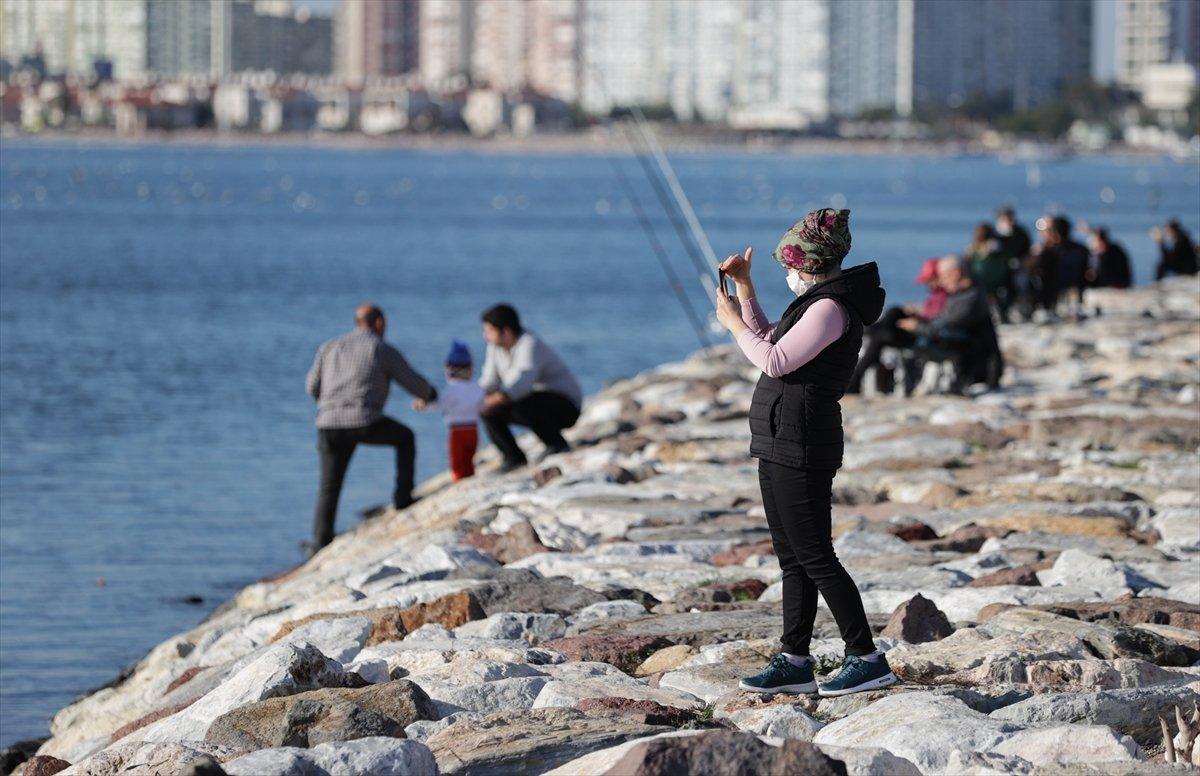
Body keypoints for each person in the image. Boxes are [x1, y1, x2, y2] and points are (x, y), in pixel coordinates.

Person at [713, 208, 897, 698]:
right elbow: (774, 338)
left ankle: (866, 656)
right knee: (791, 557)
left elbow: (773, 359)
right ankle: (795, 658)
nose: (789, 276)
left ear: (812, 265)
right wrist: (746, 292)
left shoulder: (830, 308)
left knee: (815, 554)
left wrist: (733, 325)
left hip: (803, 440)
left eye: (791, 267)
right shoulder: (817, 302)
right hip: (780, 437)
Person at [305, 304, 437, 554]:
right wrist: (431, 395)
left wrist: (330, 406)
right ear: (379, 323)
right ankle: (402, 499)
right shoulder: (380, 347)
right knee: (405, 438)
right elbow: (410, 380)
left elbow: (311, 387)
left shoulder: (330, 346)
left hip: (328, 423)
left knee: (328, 486)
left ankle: (320, 542)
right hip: (364, 421)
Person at [478, 304, 583, 473]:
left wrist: (493, 399)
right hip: (534, 401)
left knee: (521, 404)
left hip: (565, 406)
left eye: (489, 331)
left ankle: (556, 443)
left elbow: (521, 385)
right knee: (487, 411)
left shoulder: (530, 344)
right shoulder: (494, 348)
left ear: (506, 331)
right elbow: (489, 381)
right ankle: (513, 457)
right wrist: (472, 397)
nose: (486, 336)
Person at [846, 257, 946, 394]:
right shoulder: (937, 295)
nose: (927, 285)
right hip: (919, 327)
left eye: (930, 281)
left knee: (879, 337)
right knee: (895, 312)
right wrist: (917, 314)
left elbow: (939, 323)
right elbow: (933, 315)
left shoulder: (945, 296)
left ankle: (856, 377)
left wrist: (916, 324)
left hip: (922, 334)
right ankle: (869, 332)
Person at [900, 255, 1002, 389]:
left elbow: (943, 326)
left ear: (956, 273)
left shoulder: (970, 298)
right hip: (969, 360)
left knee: (908, 340)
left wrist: (915, 326)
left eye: (944, 276)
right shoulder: (963, 293)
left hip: (976, 373)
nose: (941, 282)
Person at [414, 340, 485, 481]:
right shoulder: (477, 387)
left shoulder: (451, 389)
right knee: (469, 458)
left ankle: (459, 480)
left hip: (457, 431)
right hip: (473, 429)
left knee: (457, 461)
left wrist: (423, 405)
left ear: (449, 370)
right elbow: (483, 405)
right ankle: (470, 476)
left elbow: (438, 404)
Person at [966, 222, 1012, 322]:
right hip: (979, 278)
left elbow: (992, 249)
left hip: (995, 279)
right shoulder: (973, 248)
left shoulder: (994, 245)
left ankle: (999, 313)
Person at [995, 207, 1032, 319]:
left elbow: (1026, 250)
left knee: (1019, 284)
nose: (1008, 221)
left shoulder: (1020, 233)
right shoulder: (995, 234)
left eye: (1009, 218)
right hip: (998, 270)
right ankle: (1002, 311)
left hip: (1019, 268)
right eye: (1005, 218)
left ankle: (1017, 310)